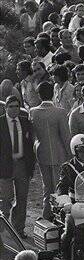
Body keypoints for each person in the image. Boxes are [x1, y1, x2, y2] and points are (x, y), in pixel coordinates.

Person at [28, 81, 70, 221]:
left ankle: (47, 215)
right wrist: (70, 156)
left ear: (39, 95)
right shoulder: (60, 112)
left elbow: (32, 135)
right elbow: (65, 137)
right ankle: (58, 219)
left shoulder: (33, 112)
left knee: (47, 187)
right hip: (59, 154)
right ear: (53, 93)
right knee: (59, 188)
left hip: (41, 153)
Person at [0, 96, 35, 238]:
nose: (14, 109)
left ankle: (18, 229)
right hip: (5, 166)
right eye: (11, 106)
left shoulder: (25, 122)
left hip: (22, 165)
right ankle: (2, 230)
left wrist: (31, 166)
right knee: (6, 199)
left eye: (16, 106)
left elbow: (29, 145)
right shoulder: (0, 122)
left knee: (22, 199)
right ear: (5, 107)